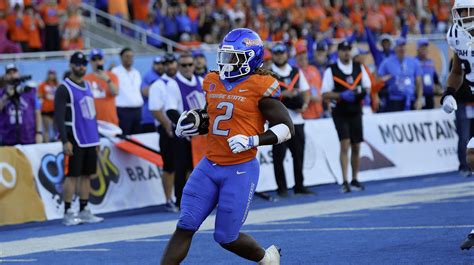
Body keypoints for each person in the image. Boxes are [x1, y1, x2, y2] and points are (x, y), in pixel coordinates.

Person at [160, 28, 290, 265]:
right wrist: (194, 121)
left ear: (250, 58)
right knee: (185, 225)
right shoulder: (213, 81)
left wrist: (253, 140)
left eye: (234, 57)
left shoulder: (261, 85)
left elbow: (287, 128)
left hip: (239, 169)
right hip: (209, 165)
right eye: (224, 56)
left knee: (226, 237)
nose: (226, 62)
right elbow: (216, 117)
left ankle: (267, 258)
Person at [54, 51, 103, 226]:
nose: (81, 67)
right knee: (72, 176)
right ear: (71, 65)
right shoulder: (64, 88)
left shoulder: (88, 85)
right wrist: (64, 140)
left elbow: (93, 114)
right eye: (77, 64)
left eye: (83, 64)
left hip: (90, 138)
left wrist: (96, 138)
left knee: (87, 175)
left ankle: (84, 209)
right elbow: (58, 116)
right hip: (74, 137)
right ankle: (68, 211)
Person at [441, 0, 474, 250]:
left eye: (469, 10)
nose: (464, 16)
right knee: (472, 156)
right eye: (461, 11)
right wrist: (449, 92)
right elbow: (457, 70)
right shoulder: (456, 34)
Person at [321, 41, 371, 193]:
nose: (346, 53)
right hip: (340, 111)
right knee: (345, 144)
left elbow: (367, 87)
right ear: (339, 52)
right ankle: (344, 180)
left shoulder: (358, 67)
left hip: (356, 110)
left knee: (356, 145)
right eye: (343, 50)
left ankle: (355, 178)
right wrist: (341, 95)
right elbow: (325, 93)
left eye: (348, 50)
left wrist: (358, 92)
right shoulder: (332, 70)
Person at [270, 42, 312, 197]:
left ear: (287, 55)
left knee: (298, 155)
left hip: (296, 119)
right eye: (276, 53)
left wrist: (305, 104)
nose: (279, 56)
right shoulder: (268, 74)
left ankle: (299, 185)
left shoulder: (295, 71)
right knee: (278, 156)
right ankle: (282, 188)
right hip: (278, 120)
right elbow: (264, 96)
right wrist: (283, 95)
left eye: (282, 53)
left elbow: (306, 90)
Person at [165, 51, 205, 208]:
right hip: (184, 134)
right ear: (178, 66)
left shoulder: (201, 80)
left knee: (201, 168)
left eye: (190, 64)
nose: (187, 68)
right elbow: (170, 110)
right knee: (181, 168)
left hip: (202, 134)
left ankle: (201, 198)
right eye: (184, 65)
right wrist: (187, 126)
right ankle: (180, 200)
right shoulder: (173, 84)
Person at [0, 63, 43, 146]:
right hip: (8, 138)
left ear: (18, 74)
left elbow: (37, 112)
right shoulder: (2, 93)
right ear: (5, 76)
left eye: (14, 72)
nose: (12, 75)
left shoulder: (29, 91)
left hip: (28, 137)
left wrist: (39, 132)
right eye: (9, 73)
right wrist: (7, 96)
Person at [377, 37, 423, 112]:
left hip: (410, 99)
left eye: (403, 46)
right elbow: (378, 80)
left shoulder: (414, 62)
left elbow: (419, 83)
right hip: (394, 100)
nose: (402, 48)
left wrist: (419, 99)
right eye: (399, 46)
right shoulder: (387, 62)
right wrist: (386, 78)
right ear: (395, 48)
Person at [84, 48, 119, 126]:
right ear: (90, 61)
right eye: (94, 59)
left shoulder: (112, 76)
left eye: (99, 58)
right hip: (92, 122)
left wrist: (107, 80)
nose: (97, 62)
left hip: (110, 122)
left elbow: (115, 92)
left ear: (103, 60)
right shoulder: (85, 79)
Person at [112, 47, 143, 135]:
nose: (129, 58)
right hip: (123, 111)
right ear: (121, 57)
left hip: (137, 110)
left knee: (138, 137)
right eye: (127, 56)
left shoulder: (136, 73)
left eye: (131, 56)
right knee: (125, 137)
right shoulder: (115, 72)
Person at [415, 39, 442, 109]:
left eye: (425, 48)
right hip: (418, 95)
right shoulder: (414, 62)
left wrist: (438, 86)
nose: (424, 49)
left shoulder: (430, 62)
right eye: (422, 47)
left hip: (430, 95)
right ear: (418, 49)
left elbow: (435, 77)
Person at [141, 56, 165, 133]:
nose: (160, 66)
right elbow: (145, 92)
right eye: (157, 64)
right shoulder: (149, 75)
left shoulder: (166, 75)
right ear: (153, 65)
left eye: (162, 64)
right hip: (150, 117)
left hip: (164, 117)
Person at [38, 69, 59, 142]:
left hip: (55, 109)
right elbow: (38, 95)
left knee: (56, 128)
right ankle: (47, 144)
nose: (51, 75)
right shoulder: (43, 85)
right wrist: (45, 94)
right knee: (46, 128)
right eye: (50, 73)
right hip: (46, 109)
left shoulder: (58, 85)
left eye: (53, 74)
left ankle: (57, 143)